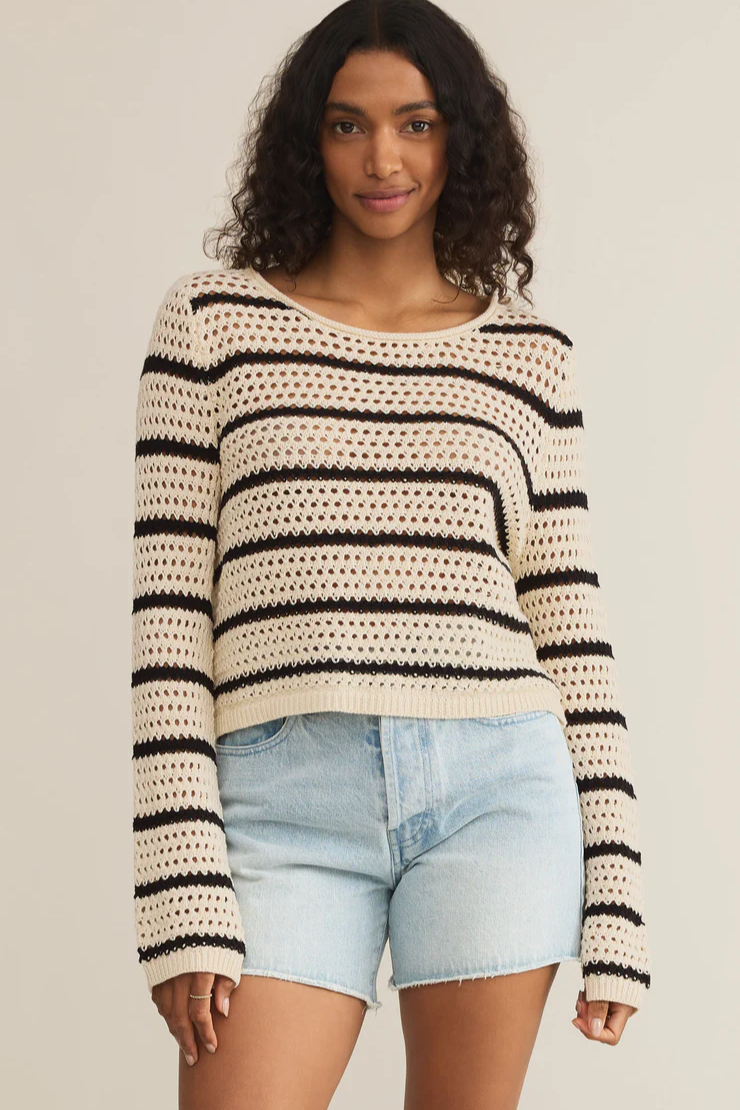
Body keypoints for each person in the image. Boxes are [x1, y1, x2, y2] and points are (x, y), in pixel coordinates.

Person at [131, 1, 651, 1105]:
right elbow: (168, 624)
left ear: (460, 139)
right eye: (346, 125)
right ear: (305, 142)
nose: (382, 159)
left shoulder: (527, 354)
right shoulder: (213, 325)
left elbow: (568, 623)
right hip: (280, 801)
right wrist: (179, 883)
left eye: (416, 124)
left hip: (495, 794)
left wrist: (615, 889)